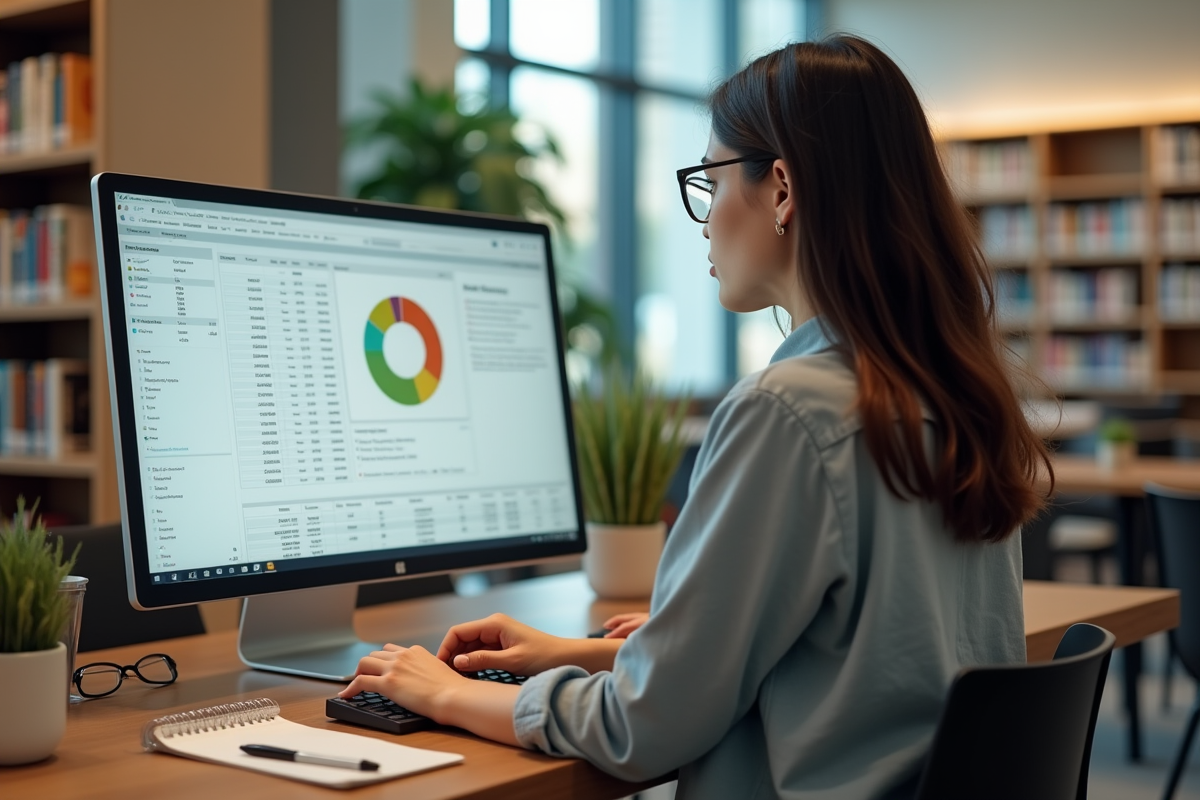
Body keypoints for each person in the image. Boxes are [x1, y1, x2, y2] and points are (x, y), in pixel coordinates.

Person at [339, 34, 1054, 799]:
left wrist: (443, 691)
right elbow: (866, 664)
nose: (706, 220)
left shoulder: (787, 412)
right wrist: (595, 655)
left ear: (782, 189)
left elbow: (645, 730)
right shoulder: (951, 397)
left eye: (711, 183)